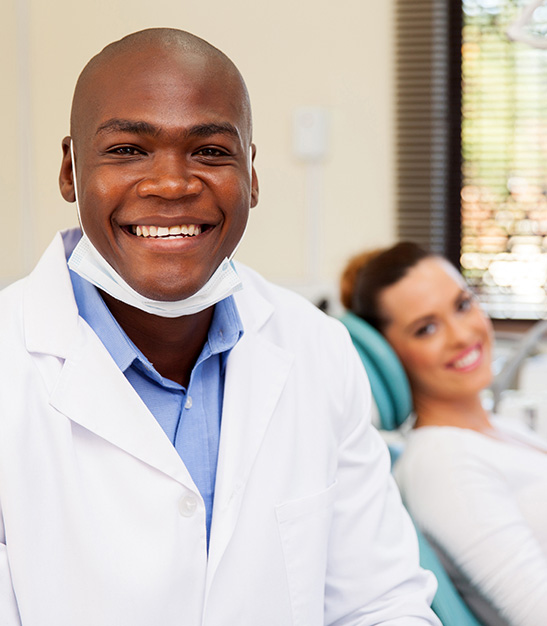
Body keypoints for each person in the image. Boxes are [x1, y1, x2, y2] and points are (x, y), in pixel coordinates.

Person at [0, 29, 440, 625]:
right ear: (70, 171)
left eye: (209, 151)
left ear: (251, 175)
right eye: (128, 149)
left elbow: (380, 602)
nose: (172, 184)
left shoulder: (316, 348)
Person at [341, 241, 547, 626]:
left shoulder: (499, 429)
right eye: (427, 328)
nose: (461, 335)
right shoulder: (444, 464)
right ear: (390, 357)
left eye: (463, 304)